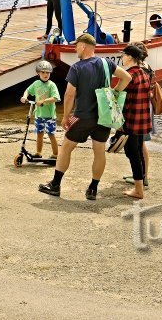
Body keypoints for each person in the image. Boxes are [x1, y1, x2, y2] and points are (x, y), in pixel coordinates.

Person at [38, 32, 131, 200]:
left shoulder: (77, 67)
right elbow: (127, 77)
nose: (75, 50)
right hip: (103, 116)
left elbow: (69, 95)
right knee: (99, 150)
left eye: (76, 46)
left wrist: (66, 116)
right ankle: (93, 189)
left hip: (82, 116)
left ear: (83, 46)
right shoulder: (106, 63)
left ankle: (55, 185)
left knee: (66, 147)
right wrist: (114, 93)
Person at [117, 44, 152, 199]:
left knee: (133, 154)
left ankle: (138, 190)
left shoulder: (129, 75)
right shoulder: (144, 73)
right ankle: (141, 183)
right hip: (142, 119)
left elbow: (118, 97)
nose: (121, 58)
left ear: (130, 57)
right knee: (137, 152)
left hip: (131, 120)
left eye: (123, 55)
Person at [21, 60, 60, 159]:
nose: (45, 74)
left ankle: (56, 154)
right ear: (38, 73)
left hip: (50, 116)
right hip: (39, 114)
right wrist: (24, 97)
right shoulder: (36, 83)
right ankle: (38, 153)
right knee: (39, 134)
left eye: (47, 72)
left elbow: (55, 98)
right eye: (43, 72)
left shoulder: (52, 85)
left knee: (51, 135)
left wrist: (43, 101)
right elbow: (28, 90)